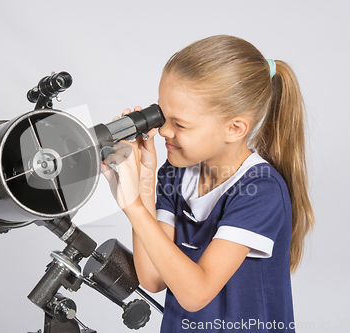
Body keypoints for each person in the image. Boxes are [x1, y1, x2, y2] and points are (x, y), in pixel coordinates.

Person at [100, 35, 314, 332]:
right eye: (162, 116)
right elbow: (153, 277)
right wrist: (144, 183)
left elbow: (195, 293)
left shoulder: (261, 190)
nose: (162, 131)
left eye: (180, 124)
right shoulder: (173, 175)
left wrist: (133, 207)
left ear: (234, 128)